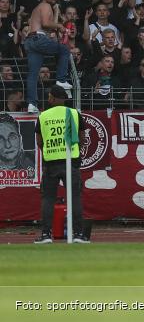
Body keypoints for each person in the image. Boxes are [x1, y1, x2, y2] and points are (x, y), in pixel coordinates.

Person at [34, 85, 89, 244]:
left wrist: (51, 148)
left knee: (48, 199)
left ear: (52, 97)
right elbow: (82, 137)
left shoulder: (43, 116)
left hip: (51, 162)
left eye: (49, 96)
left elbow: (39, 141)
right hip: (70, 161)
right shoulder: (73, 113)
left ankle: (46, 235)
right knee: (75, 198)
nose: (48, 98)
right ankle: (79, 234)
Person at [24, 0, 73, 113]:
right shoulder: (45, 5)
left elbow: (49, 27)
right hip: (39, 38)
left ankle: (31, 104)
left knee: (33, 74)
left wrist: (56, 14)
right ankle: (61, 80)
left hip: (30, 41)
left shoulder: (39, 8)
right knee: (64, 50)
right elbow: (46, 24)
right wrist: (60, 26)